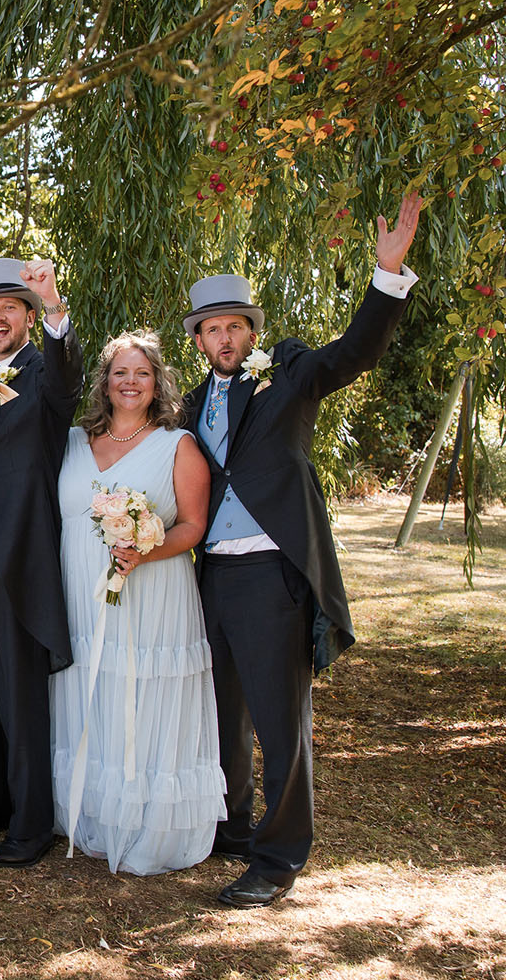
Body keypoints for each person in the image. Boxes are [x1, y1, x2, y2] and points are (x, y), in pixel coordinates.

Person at [183, 192, 423, 907]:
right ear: (197, 339)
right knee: (224, 712)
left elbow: (357, 351)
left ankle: (278, 859)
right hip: (211, 577)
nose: (225, 339)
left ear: (250, 330)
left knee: (281, 720)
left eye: (235, 327)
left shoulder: (289, 377)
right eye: (212, 330)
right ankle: (234, 825)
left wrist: (385, 277)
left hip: (271, 573)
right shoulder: (191, 402)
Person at [49, 330, 223, 875]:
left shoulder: (179, 445)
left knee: (140, 690)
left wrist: (145, 553)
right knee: (92, 687)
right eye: (120, 373)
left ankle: (149, 822)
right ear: (104, 382)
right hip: (80, 587)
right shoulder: (75, 441)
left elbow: (194, 525)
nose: (130, 383)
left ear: (157, 383)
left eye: (142, 373)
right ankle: (96, 812)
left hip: (152, 592)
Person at [0, 256, 83, 868]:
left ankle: (33, 826)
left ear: (29, 317)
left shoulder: (42, 374)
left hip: (18, 553)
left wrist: (58, 306)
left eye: (10, 307)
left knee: (19, 690)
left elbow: (68, 380)